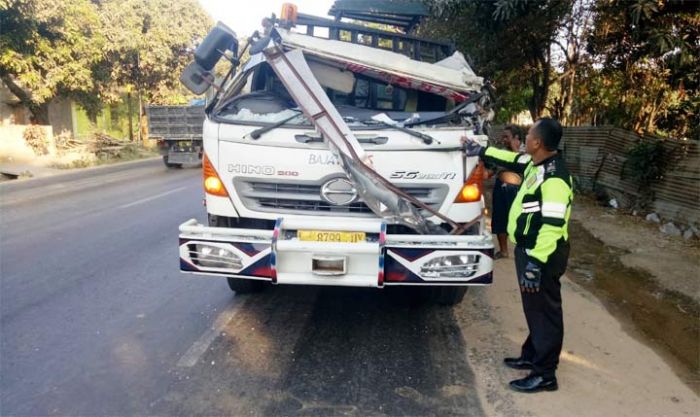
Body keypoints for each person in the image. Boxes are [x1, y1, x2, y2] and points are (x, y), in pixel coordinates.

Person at [463, 118, 573, 393]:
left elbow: (552, 226)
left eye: (530, 135)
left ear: (537, 143)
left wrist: (535, 263)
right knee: (533, 309)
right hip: (530, 249)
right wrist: (480, 150)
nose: (525, 139)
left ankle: (546, 374)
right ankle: (531, 355)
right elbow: (510, 158)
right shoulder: (535, 164)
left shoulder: (555, 179)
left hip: (543, 254)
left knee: (545, 312)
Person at [491, 125, 524, 259]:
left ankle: (522, 252)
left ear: (516, 138)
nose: (503, 139)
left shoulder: (525, 151)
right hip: (500, 188)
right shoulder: (502, 151)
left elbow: (522, 165)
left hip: (516, 191)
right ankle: (504, 251)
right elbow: (493, 168)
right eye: (503, 136)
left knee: (519, 221)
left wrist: (514, 148)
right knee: (500, 219)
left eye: (507, 137)